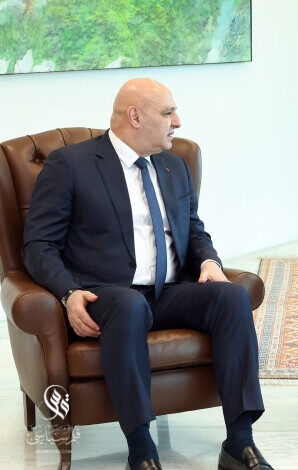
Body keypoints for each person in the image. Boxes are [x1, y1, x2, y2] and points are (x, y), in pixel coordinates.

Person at [22, 78, 273, 470]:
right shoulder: (70, 165)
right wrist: (69, 293)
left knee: (231, 296)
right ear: (135, 117)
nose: (178, 121)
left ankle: (239, 442)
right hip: (107, 295)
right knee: (130, 305)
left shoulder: (174, 165)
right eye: (168, 112)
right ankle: (141, 451)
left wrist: (209, 263)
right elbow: (38, 245)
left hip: (169, 291)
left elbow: (193, 231)